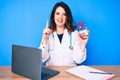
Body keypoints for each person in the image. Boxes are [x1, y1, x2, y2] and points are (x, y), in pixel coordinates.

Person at [39, 2, 90, 66]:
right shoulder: (47, 34)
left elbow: (78, 60)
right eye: (58, 13)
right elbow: (42, 58)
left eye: (64, 14)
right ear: (53, 16)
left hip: (70, 72)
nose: (60, 17)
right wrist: (45, 39)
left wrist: (83, 44)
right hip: (52, 72)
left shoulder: (74, 34)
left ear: (67, 17)